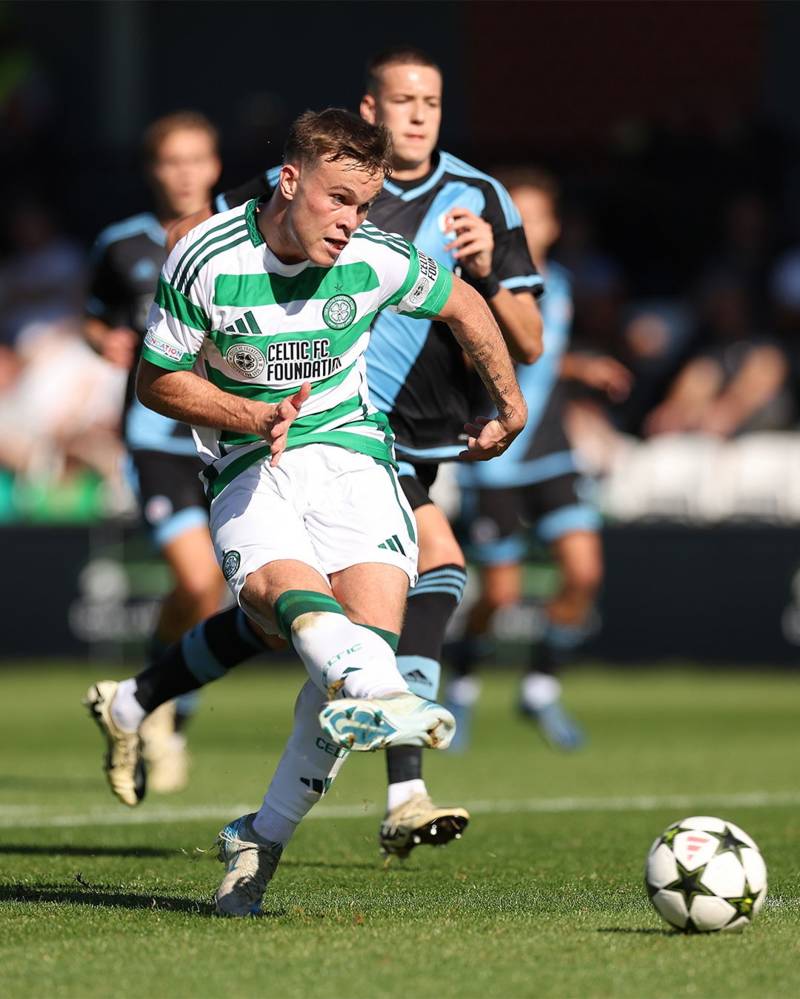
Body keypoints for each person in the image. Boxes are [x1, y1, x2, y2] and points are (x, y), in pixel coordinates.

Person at [87, 47, 543, 860]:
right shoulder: (205, 255)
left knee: (344, 640)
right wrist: (246, 410)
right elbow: (155, 380)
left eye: (363, 206)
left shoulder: (390, 243)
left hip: (357, 451)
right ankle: (393, 750)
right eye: (338, 200)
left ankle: (258, 835)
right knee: (303, 615)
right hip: (247, 458)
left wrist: (511, 405)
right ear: (290, 180)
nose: (350, 222)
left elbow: (468, 307)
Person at [449, 168, 630, 750]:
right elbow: (481, 355)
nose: (526, 228)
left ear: (553, 227)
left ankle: (540, 687)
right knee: (499, 595)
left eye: (537, 217)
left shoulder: (563, 284)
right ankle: (463, 687)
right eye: (516, 217)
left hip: (552, 452)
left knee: (585, 574)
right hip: (496, 456)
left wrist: (583, 367)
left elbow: (544, 353)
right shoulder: (476, 285)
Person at [83, 112, 225, 791]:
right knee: (198, 582)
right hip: (157, 436)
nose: (186, 173)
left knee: (221, 591)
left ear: (216, 166)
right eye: (172, 161)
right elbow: (97, 317)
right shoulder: (121, 244)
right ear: (153, 171)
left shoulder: (246, 235)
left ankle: (160, 704)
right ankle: (157, 706)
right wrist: (103, 340)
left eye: (197, 159)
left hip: (230, 432)